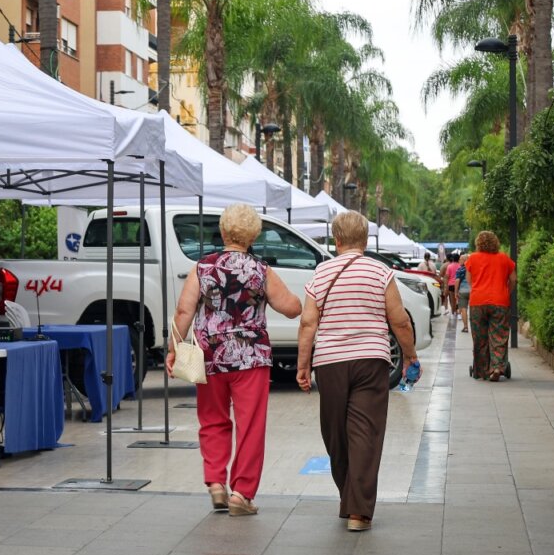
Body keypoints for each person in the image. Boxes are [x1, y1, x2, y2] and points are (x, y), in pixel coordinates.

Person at [168, 203, 301, 517]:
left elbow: (184, 312)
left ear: (224, 231)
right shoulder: (260, 270)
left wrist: (173, 349)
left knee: (212, 419)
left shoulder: (202, 268)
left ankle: (216, 482)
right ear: (254, 235)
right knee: (250, 425)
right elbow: (291, 307)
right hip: (251, 358)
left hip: (210, 355)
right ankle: (241, 493)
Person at [296, 210, 420, 532]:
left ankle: (352, 502)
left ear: (336, 241)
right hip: (372, 361)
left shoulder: (321, 274)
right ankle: (357, 509)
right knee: (365, 433)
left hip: (330, 363)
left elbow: (308, 322)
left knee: (334, 433)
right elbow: (400, 320)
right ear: (364, 240)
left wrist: (303, 365)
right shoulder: (381, 272)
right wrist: (409, 355)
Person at [465, 231, 517, 381]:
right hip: (500, 301)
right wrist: (507, 292)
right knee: (499, 337)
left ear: (478, 243)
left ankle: (481, 370)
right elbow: (513, 280)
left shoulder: (472, 258)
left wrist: (479, 289)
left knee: (479, 338)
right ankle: (497, 368)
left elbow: (470, 280)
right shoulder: (504, 259)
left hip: (477, 302)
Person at [455, 252, 471, 333]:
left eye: (460, 259)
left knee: (463, 309)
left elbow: (457, 280)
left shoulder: (460, 269)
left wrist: (455, 292)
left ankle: (465, 327)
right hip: (473, 291)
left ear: (465, 260)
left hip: (462, 291)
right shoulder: (472, 268)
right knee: (473, 309)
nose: (459, 260)